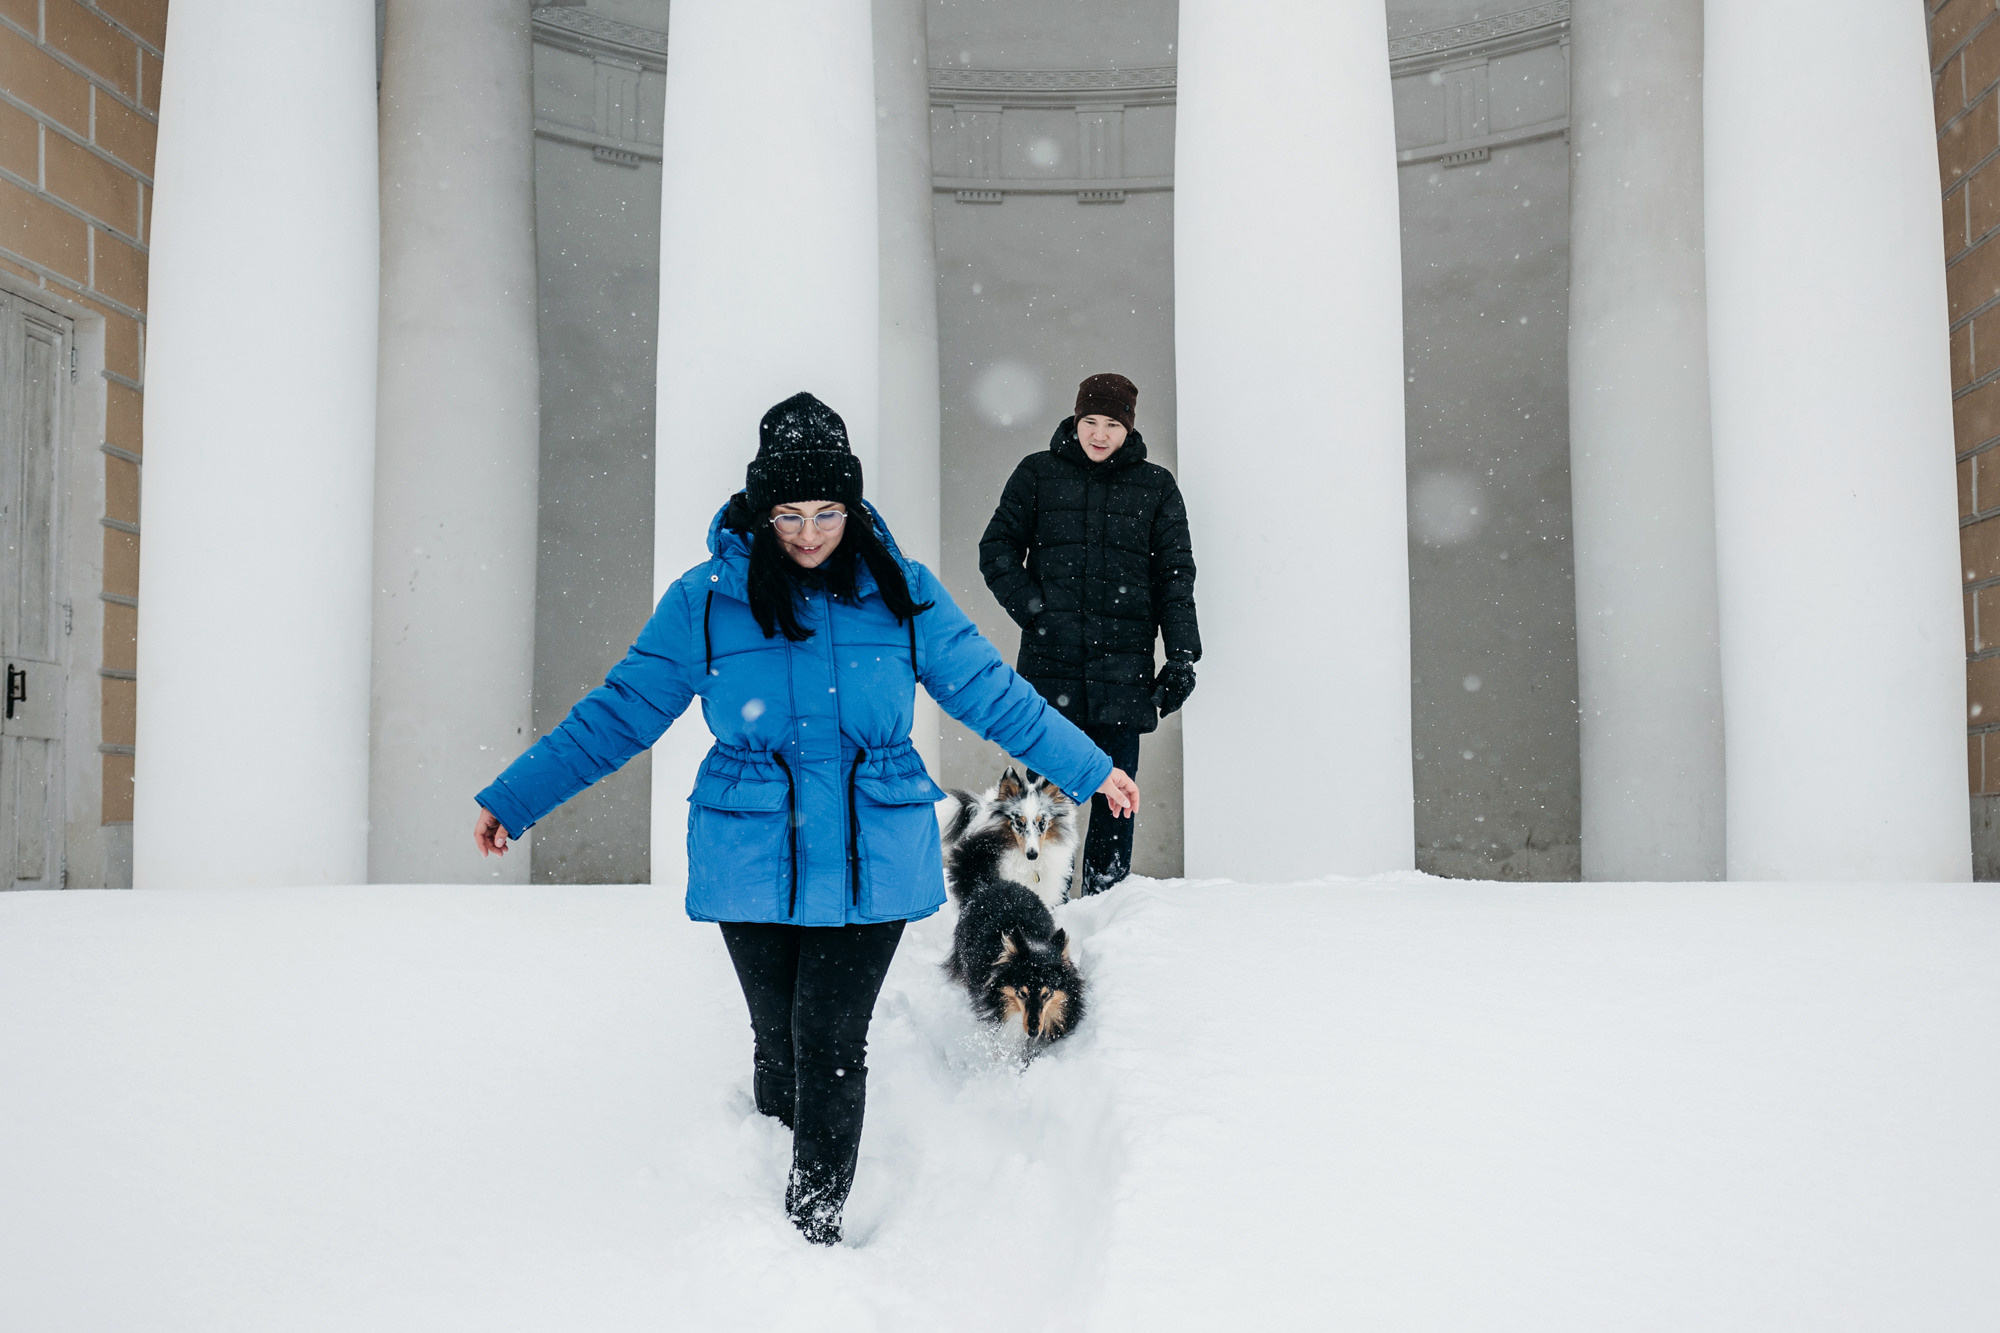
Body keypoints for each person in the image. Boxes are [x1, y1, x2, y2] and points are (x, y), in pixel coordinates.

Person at [471, 392, 1139, 1247]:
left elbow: (991, 692)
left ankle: (808, 1231)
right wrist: (514, 798)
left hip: (873, 852)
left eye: (829, 512)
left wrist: (1092, 767)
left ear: (852, 506)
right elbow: (621, 710)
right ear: (762, 508)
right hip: (753, 851)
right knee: (779, 1037)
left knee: (829, 1038)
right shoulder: (707, 599)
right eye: (790, 513)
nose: (812, 533)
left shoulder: (901, 592)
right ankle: (770, 1183)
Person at [978, 372, 1199, 895]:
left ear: (1129, 429)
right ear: (1076, 421)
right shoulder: (1037, 474)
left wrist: (1183, 655)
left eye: (1112, 425)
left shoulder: (1156, 487)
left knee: (1115, 798)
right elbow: (997, 550)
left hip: (1123, 671)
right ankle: (1037, 907)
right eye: (1090, 422)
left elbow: (1175, 575)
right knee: (1040, 807)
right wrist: (1037, 611)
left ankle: (1105, 908)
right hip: (1049, 671)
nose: (1099, 435)